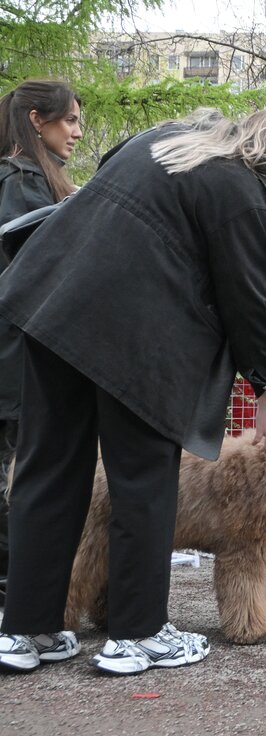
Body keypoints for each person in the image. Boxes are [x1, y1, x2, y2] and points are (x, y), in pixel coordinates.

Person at [0, 107, 266, 675]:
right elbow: (251, 298)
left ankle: (27, 629)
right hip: (138, 338)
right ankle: (138, 634)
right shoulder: (242, 190)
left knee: (48, 469)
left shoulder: (165, 141)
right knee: (143, 480)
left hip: (54, 303)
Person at [0, 79, 83, 610]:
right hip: (17, 358)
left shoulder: (26, 178)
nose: (77, 132)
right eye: (69, 119)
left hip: (17, 355)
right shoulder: (21, 181)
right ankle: (18, 598)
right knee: (19, 478)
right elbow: (39, 273)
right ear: (37, 119)